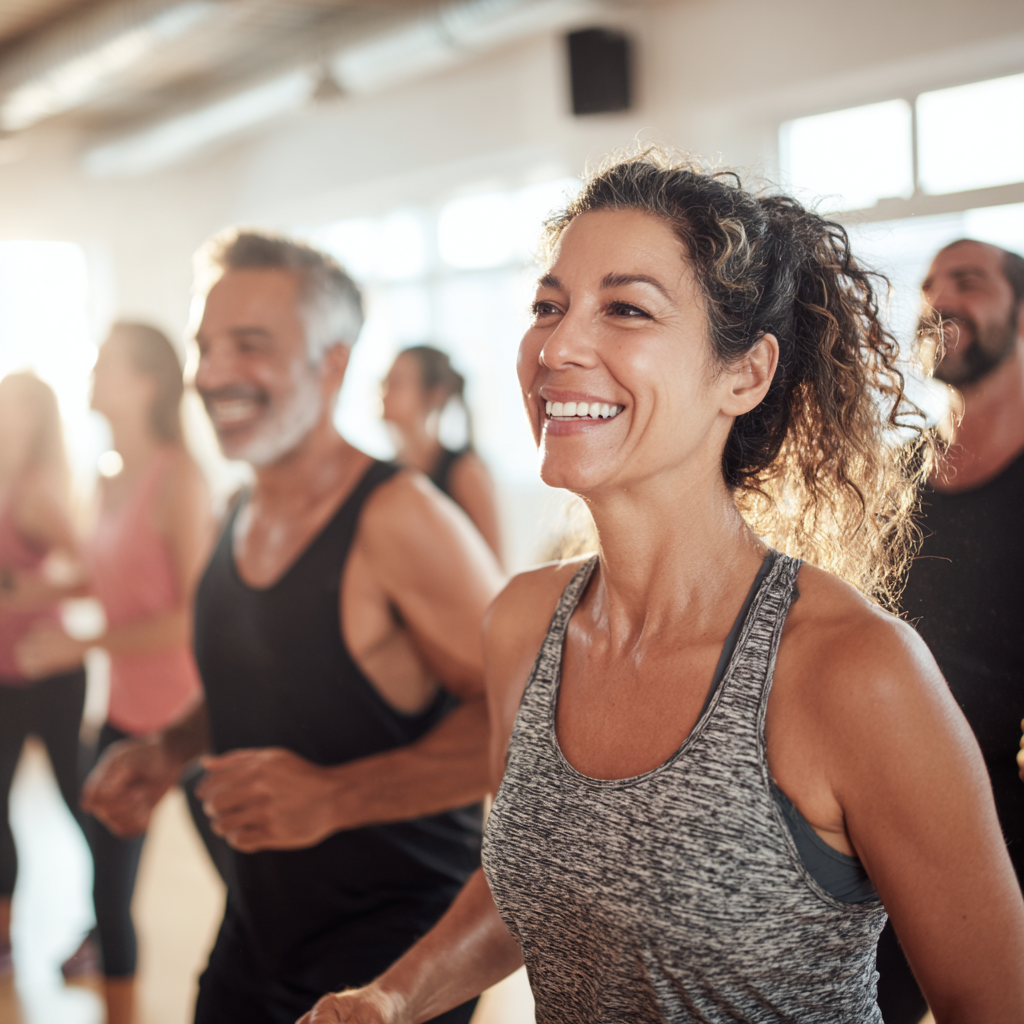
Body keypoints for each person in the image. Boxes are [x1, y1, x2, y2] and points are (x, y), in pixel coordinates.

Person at [300, 151, 1024, 1024]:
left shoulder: (853, 670)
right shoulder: (523, 624)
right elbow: (535, 878)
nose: (557, 347)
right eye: (548, 306)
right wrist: (390, 997)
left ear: (743, 375)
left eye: (627, 309)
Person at [81, 232, 504, 1024]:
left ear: (332, 364)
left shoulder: (401, 518)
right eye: (205, 347)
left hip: (393, 958)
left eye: (251, 345)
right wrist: (173, 748)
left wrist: (337, 796)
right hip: (258, 930)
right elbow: (272, 680)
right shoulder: (240, 508)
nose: (211, 374)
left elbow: (527, 725)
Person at [18, 322, 213, 1024]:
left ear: (147, 384)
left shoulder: (180, 478)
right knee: (107, 896)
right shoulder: (106, 477)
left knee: (246, 888)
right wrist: (35, 597)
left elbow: (191, 614)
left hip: (191, 724)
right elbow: (104, 580)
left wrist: (82, 646)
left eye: (106, 365)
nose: (92, 376)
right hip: (122, 718)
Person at [873, 239, 1024, 1023]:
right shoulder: (891, 480)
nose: (939, 301)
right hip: (875, 818)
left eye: (968, 281)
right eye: (930, 287)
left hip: (1005, 816)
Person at [0, 372, 86, 979]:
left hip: (50, 670)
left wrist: (34, 587)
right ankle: (4, 938)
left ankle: (105, 922)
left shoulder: (34, 494)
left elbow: (90, 567)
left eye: (17, 409)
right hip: (3, 674)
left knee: (78, 796)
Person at [381, 346, 502, 562]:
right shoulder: (383, 472)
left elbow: (496, 568)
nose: (383, 391)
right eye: (384, 382)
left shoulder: (466, 471)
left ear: (434, 395)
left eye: (396, 383)